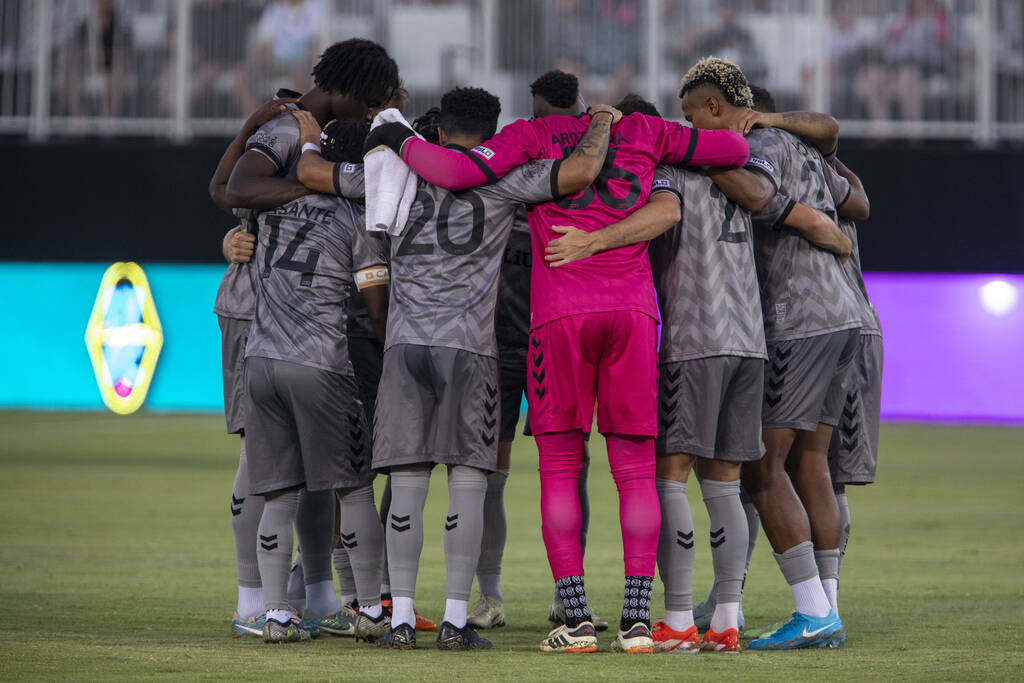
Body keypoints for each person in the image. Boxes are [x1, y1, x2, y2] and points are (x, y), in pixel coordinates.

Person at [365, 76, 750, 655]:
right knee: (635, 472)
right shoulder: (646, 130)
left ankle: (575, 622)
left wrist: (397, 136)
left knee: (561, 468)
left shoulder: (532, 134)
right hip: (633, 313)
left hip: (560, 314)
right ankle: (639, 623)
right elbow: (735, 150)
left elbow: (458, 172)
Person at [543, 91, 855, 654]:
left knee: (668, 476)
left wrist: (592, 238)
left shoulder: (663, 172)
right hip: (751, 338)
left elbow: (663, 214)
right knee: (728, 484)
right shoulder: (747, 164)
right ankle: (728, 622)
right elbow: (851, 199)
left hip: (693, 336)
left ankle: (682, 618)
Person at [362, 86, 615, 651]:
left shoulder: (403, 175)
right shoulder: (508, 180)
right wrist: (600, 124)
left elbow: (332, 181)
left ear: (442, 130)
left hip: (405, 344)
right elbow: (577, 175)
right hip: (471, 347)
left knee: (406, 484)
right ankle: (456, 620)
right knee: (468, 484)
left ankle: (400, 619)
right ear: (495, 132)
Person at [678, 56, 863, 650]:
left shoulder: (755, 142)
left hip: (797, 318)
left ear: (714, 107)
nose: (691, 127)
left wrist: (688, 152)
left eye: (690, 117)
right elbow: (856, 203)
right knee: (810, 463)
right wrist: (822, 220)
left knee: (761, 465)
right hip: (845, 315)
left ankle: (814, 613)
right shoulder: (802, 145)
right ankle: (826, 610)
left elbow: (755, 192)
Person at [242, 113, 391, 644]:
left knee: (279, 495)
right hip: (319, 365)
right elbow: (375, 306)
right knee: (353, 488)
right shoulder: (358, 215)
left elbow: (231, 204)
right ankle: (371, 610)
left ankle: (278, 615)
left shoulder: (273, 207)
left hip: (259, 362)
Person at [467, 69, 607, 633]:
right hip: (502, 342)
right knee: (491, 472)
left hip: (558, 336)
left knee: (569, 470)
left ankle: (565, 596)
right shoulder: (507, 181)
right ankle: (491, 594)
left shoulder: (587, 181)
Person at [208, 96, 311, 639]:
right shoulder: (280, 150)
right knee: (261, 453)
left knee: (308, 459)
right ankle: (252, 598)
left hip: (297, 320)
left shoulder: (308, 150)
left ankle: (299, 587)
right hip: (254, 312)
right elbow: (224, 193)